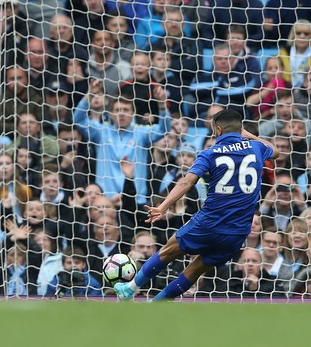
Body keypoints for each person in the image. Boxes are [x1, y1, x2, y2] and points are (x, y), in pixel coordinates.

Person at [114, 109, 279, 301]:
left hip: (210, 222)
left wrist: (162, 207)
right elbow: (276, 152)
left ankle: (129, 289)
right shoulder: (256, 148)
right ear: (240, 128)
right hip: (238, 230)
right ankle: (154, 305)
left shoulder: (210, 153)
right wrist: (248, 135)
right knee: (196, 269)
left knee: (167, 251)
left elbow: (186, 182)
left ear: (218, 130)